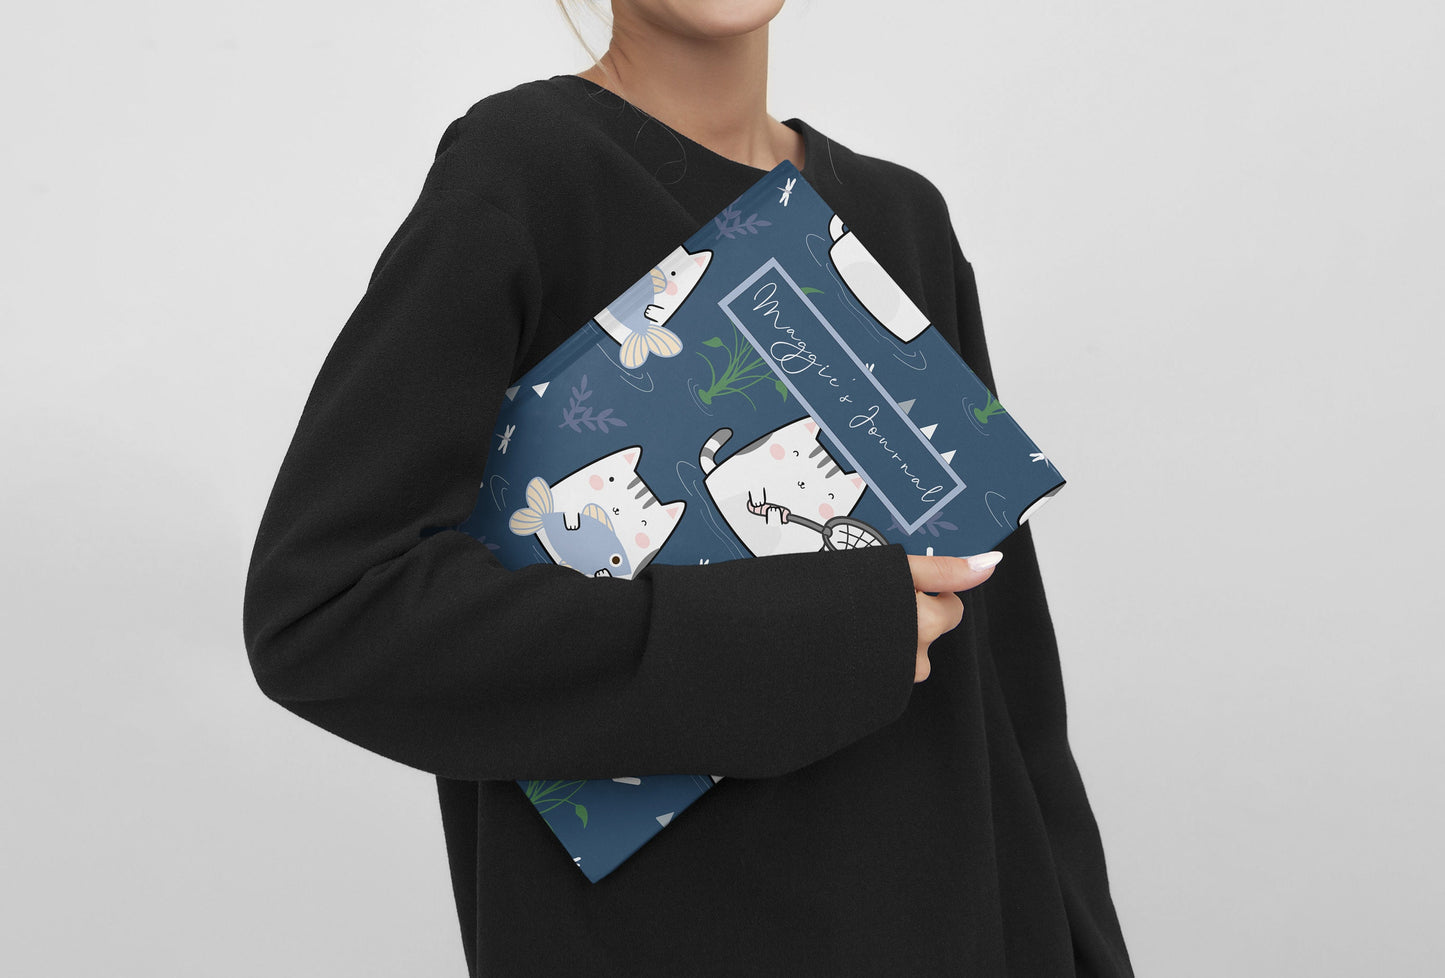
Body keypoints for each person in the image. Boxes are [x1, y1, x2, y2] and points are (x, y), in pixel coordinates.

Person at [242, 1, 1136, 974]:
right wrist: (805, 633)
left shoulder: (901, 217)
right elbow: (328, 614)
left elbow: (1010, 689)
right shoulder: (525, 171)